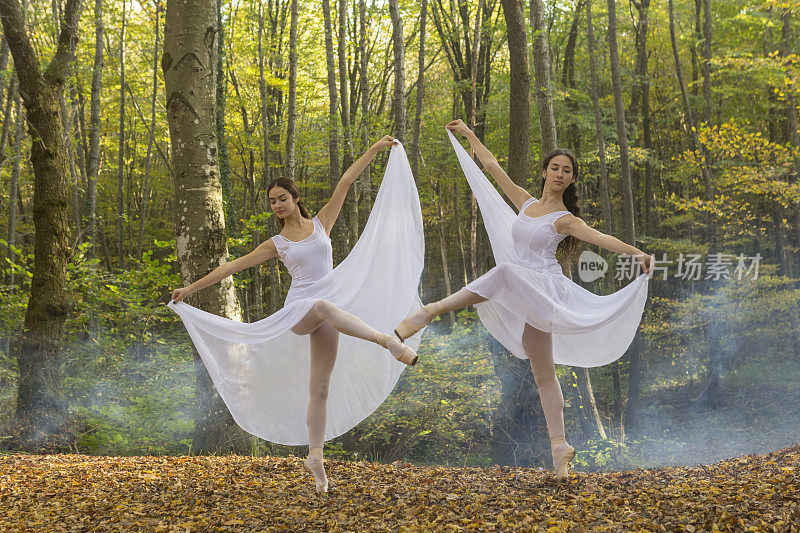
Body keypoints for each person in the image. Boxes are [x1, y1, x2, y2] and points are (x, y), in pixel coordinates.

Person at [394, 120, 651, 479]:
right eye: (555, 168)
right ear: (545, 172)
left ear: (571, 179)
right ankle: (560, 448)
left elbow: (599, 237)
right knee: (544, 374)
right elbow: (493, 168)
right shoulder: (526, 202)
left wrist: (635, 252)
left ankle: (429, 311)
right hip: (529, 290)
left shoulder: (565, 219)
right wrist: (469, 135)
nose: (560, 174)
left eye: (567, 171)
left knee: (505, 272)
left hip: (544, 286)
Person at [169, 135, 426, 493]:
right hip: (302, 310)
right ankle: (388, 341)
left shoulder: (322, 225)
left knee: (320, 388)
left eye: (282, 198)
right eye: (272, 201)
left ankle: (316, 457)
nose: (276, 205)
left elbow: (346, 182)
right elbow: (232, 267)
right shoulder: (278, 244)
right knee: (320, 306)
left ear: (295, 198)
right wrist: (190, 289)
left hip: (330, 311)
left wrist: (376, 149)